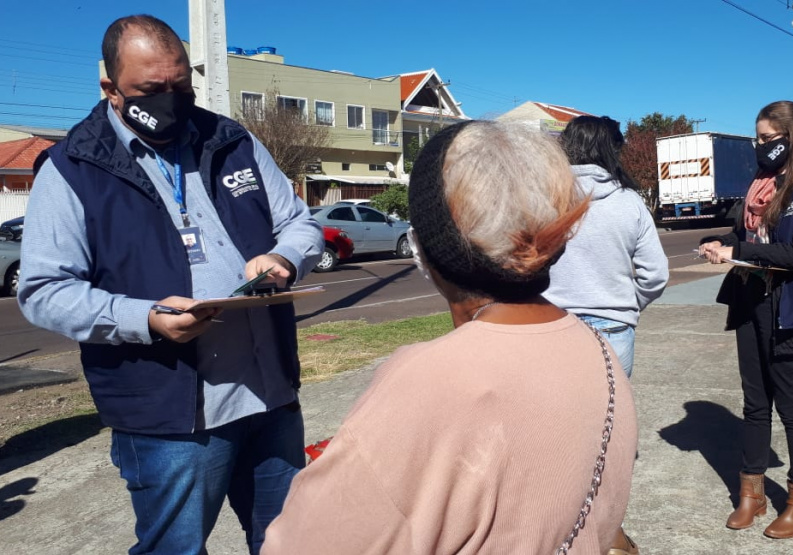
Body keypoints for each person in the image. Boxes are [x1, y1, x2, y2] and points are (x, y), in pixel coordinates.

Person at [17, 15, 323, 554]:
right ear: (110, 88)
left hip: (270, 399)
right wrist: (145, 318)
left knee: (291, 544)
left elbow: (300, 222)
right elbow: (44, 290)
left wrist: (283, 257)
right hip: (168, 417)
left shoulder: (232, 141)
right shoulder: (70, 170)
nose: (169, 101)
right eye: (150, 91)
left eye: (180, 87)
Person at [262, 121, 638, 554]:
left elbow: (301, 544)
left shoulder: (427, 378)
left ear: (432, 247)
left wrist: (351, 467)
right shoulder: (599, 349)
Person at [699, 100, 793, 539]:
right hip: (751, 300)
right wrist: (719, 242)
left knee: (792, 405)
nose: (761, 147)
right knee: (754, 401)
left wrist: (740, 252)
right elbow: (745, 235)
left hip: (791, 306)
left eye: (769, 138)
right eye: (759, 139)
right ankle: (751, 494)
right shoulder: (761, 184)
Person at [544, 115, 669, 378]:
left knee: (556, 416)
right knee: (611, 416)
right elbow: (655, 274)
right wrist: (623, 304)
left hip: (551, 324)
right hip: (613, 328)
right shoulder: (630, 202)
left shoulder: (543, 199)